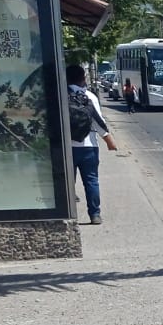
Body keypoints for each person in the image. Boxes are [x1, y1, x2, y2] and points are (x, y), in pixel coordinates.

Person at [68, 64, 117, 225]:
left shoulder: (61, 95)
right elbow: (98, 121)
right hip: (89, 146)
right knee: (91, 181)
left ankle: (69, 215)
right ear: (83, 78)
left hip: (67, 148)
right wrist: (109, 141)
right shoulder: (89, 96)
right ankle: (95, 215)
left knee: (68, 182)